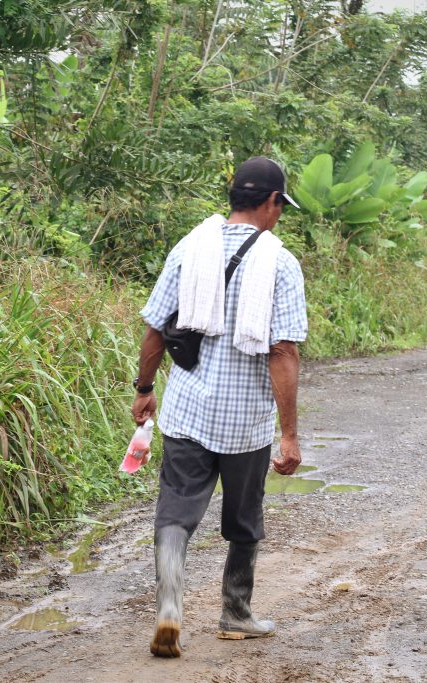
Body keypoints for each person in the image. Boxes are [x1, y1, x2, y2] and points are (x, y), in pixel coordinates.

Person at [130, 156, 308, 658]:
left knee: (175, 512)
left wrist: (144, 387)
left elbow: (154, 327)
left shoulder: (190, 247)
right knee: (244, 519)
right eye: (281, 206)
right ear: (273, 202)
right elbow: (283, 351)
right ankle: (235, 613)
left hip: (188, 411)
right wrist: (289, 433)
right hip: (245, 420)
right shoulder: (281, 263)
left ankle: (170, 608)